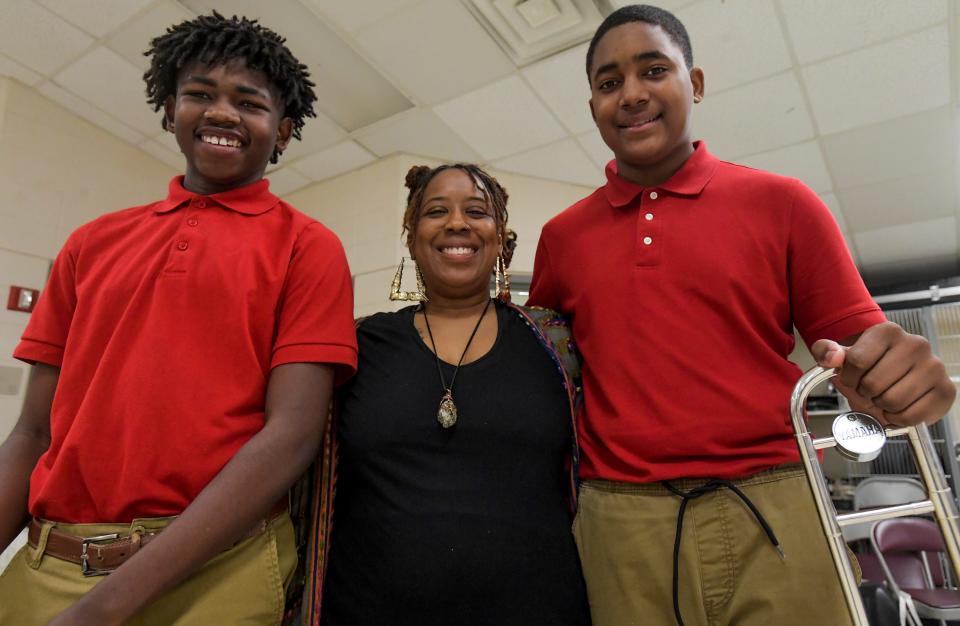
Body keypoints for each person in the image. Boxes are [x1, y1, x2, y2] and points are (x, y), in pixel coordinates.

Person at [527, 5, 956, 626]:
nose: (633, 94)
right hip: (620, 523)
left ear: (694, 84)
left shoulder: (783, 203)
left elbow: (864, 347)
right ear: (591, 105)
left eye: (654, 69)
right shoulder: (561, 238)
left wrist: (903, 382)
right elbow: (550, 379)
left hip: (776, 503)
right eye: (609, 82)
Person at [0, 13, 357, 625]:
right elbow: (33, 433)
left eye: (249, 102)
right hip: (53, 562)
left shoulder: (308, 246)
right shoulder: (90, 243)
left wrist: (106, 607)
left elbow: (290, 436)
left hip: (220, 571)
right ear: (169, 111)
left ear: (285, 132)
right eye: (200, 94)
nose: (223, 112)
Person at [299, 163, 591, 626]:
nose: (457, 222)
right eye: (437, 211)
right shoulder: (358, 345)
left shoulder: (556, 344)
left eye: (476, 211)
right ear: (413, 239)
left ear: (499, 239)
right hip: (366, 609)